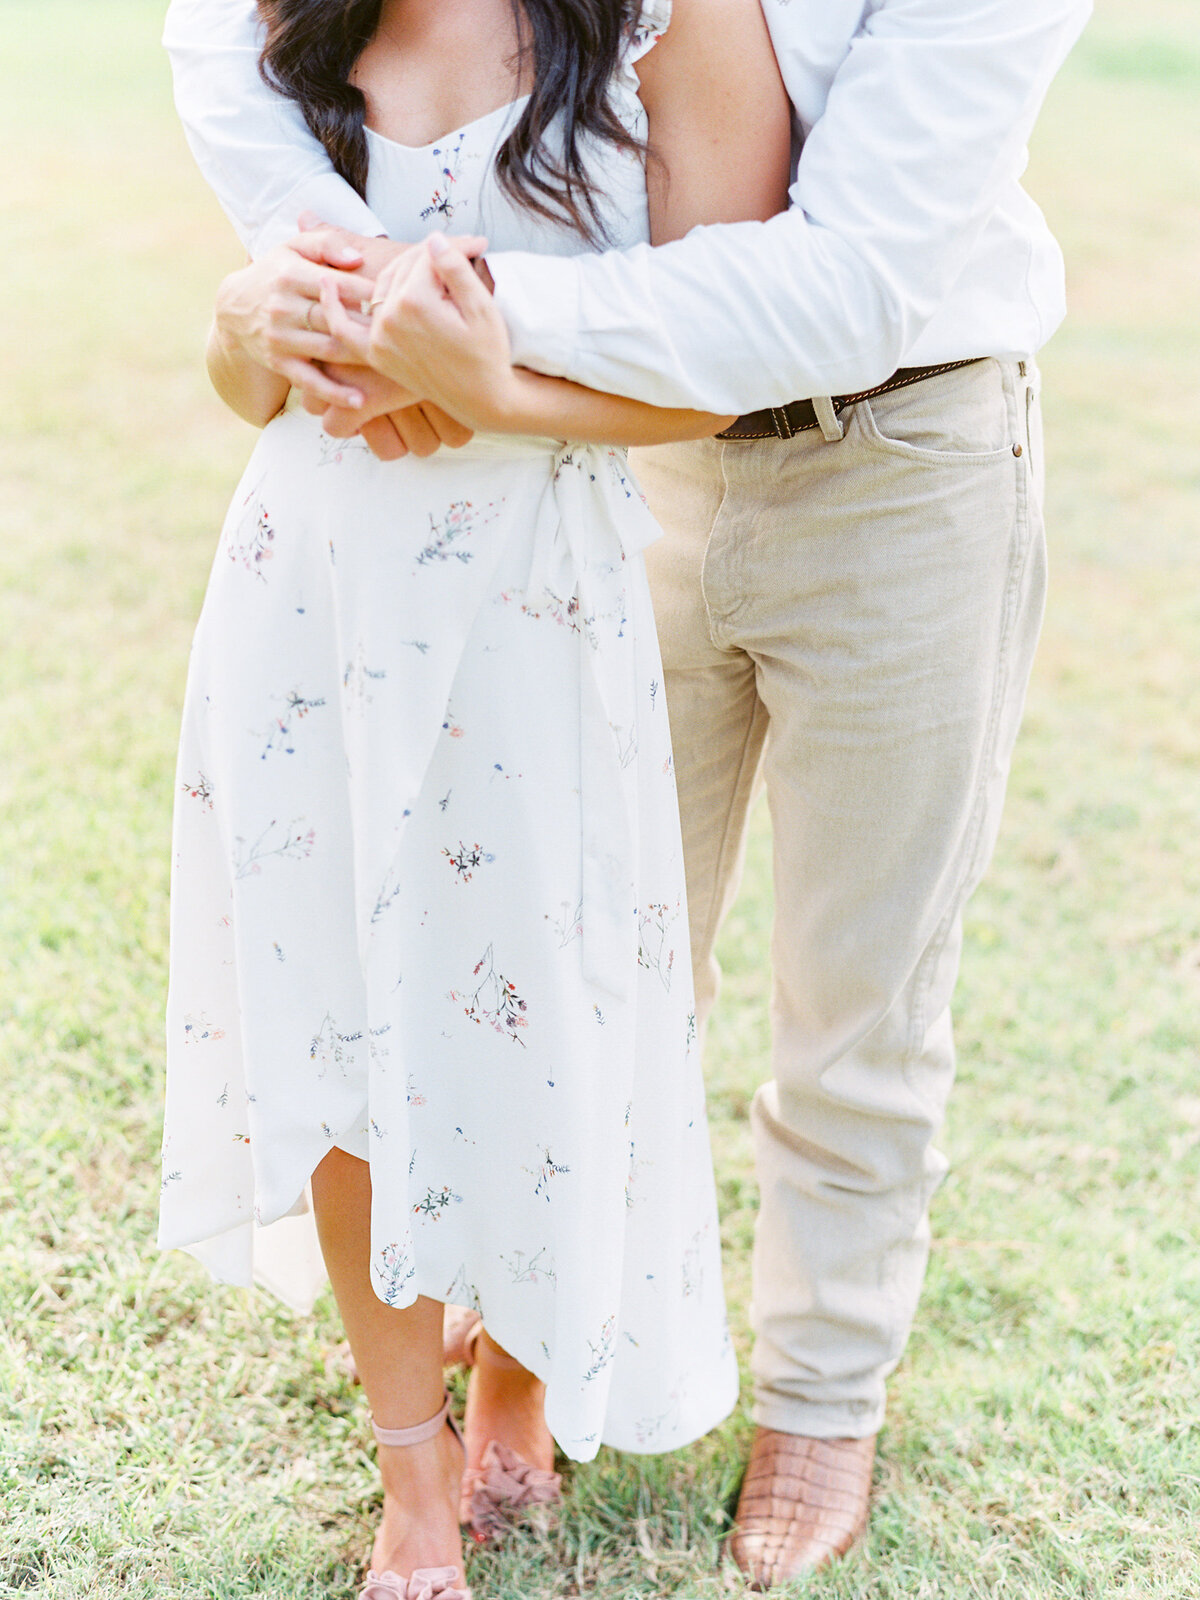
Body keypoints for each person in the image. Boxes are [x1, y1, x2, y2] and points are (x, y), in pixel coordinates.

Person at [164, 0, 1094, 1585]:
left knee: (861, 987)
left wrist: (438, 310)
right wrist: (360, 326)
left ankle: (819, 1404)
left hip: (902, 453)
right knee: (576, 951)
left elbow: (848, 285)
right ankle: (527, 1345)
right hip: (618, 468)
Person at [157, 1, 794, 1595]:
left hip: (539, 593)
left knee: (539, 1001)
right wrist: (242, 338)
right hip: (312, 580)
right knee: (339, 1009)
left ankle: (519, 1362)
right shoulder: (262, 19)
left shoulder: (671, 18)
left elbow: (718, 375)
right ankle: (411, 1469)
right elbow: (258, 357)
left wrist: (491, 384)